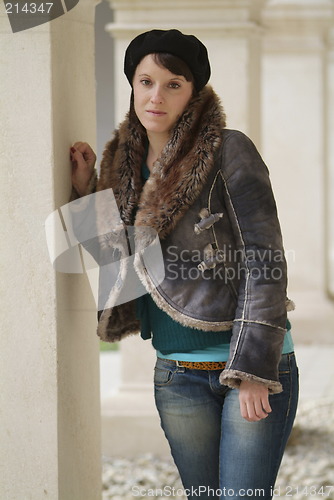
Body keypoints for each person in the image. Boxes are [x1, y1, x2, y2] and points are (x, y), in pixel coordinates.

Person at [70, 29, 299, 500]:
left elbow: (265, 261)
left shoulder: (228, 149)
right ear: (132, 84)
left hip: (246, 369)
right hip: (175, 373)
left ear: (194, 92)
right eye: (146, 81)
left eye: (174, 83)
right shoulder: (121, 162)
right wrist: (84, 191)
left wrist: (254, 370)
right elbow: (115, 265)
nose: (157, 95)